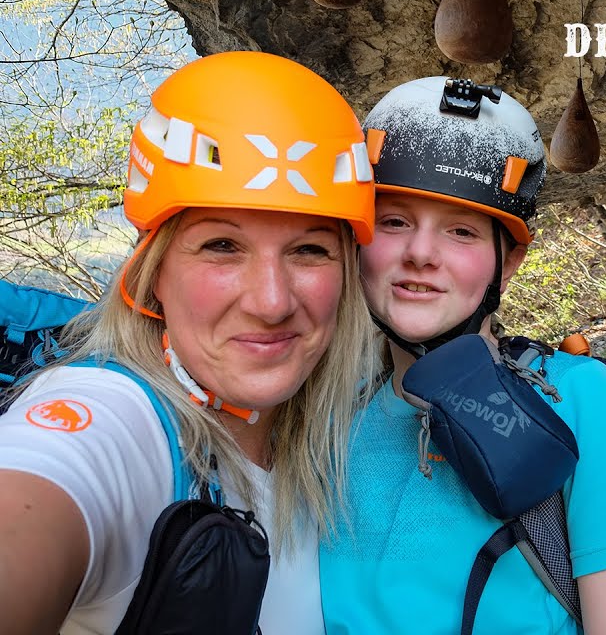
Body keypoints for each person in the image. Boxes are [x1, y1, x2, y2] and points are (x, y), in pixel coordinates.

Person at [0, 51, 380, 635]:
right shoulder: (116, 424)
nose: (272, 302)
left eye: (309, 250)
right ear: (153, 272)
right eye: (222, 246)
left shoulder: (332, 441)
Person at [320, 77, 606, 635]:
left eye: (461, 232)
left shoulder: (581, 401)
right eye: (394, 221)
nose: (421, 253)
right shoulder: (326, 414)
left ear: (511, 262)